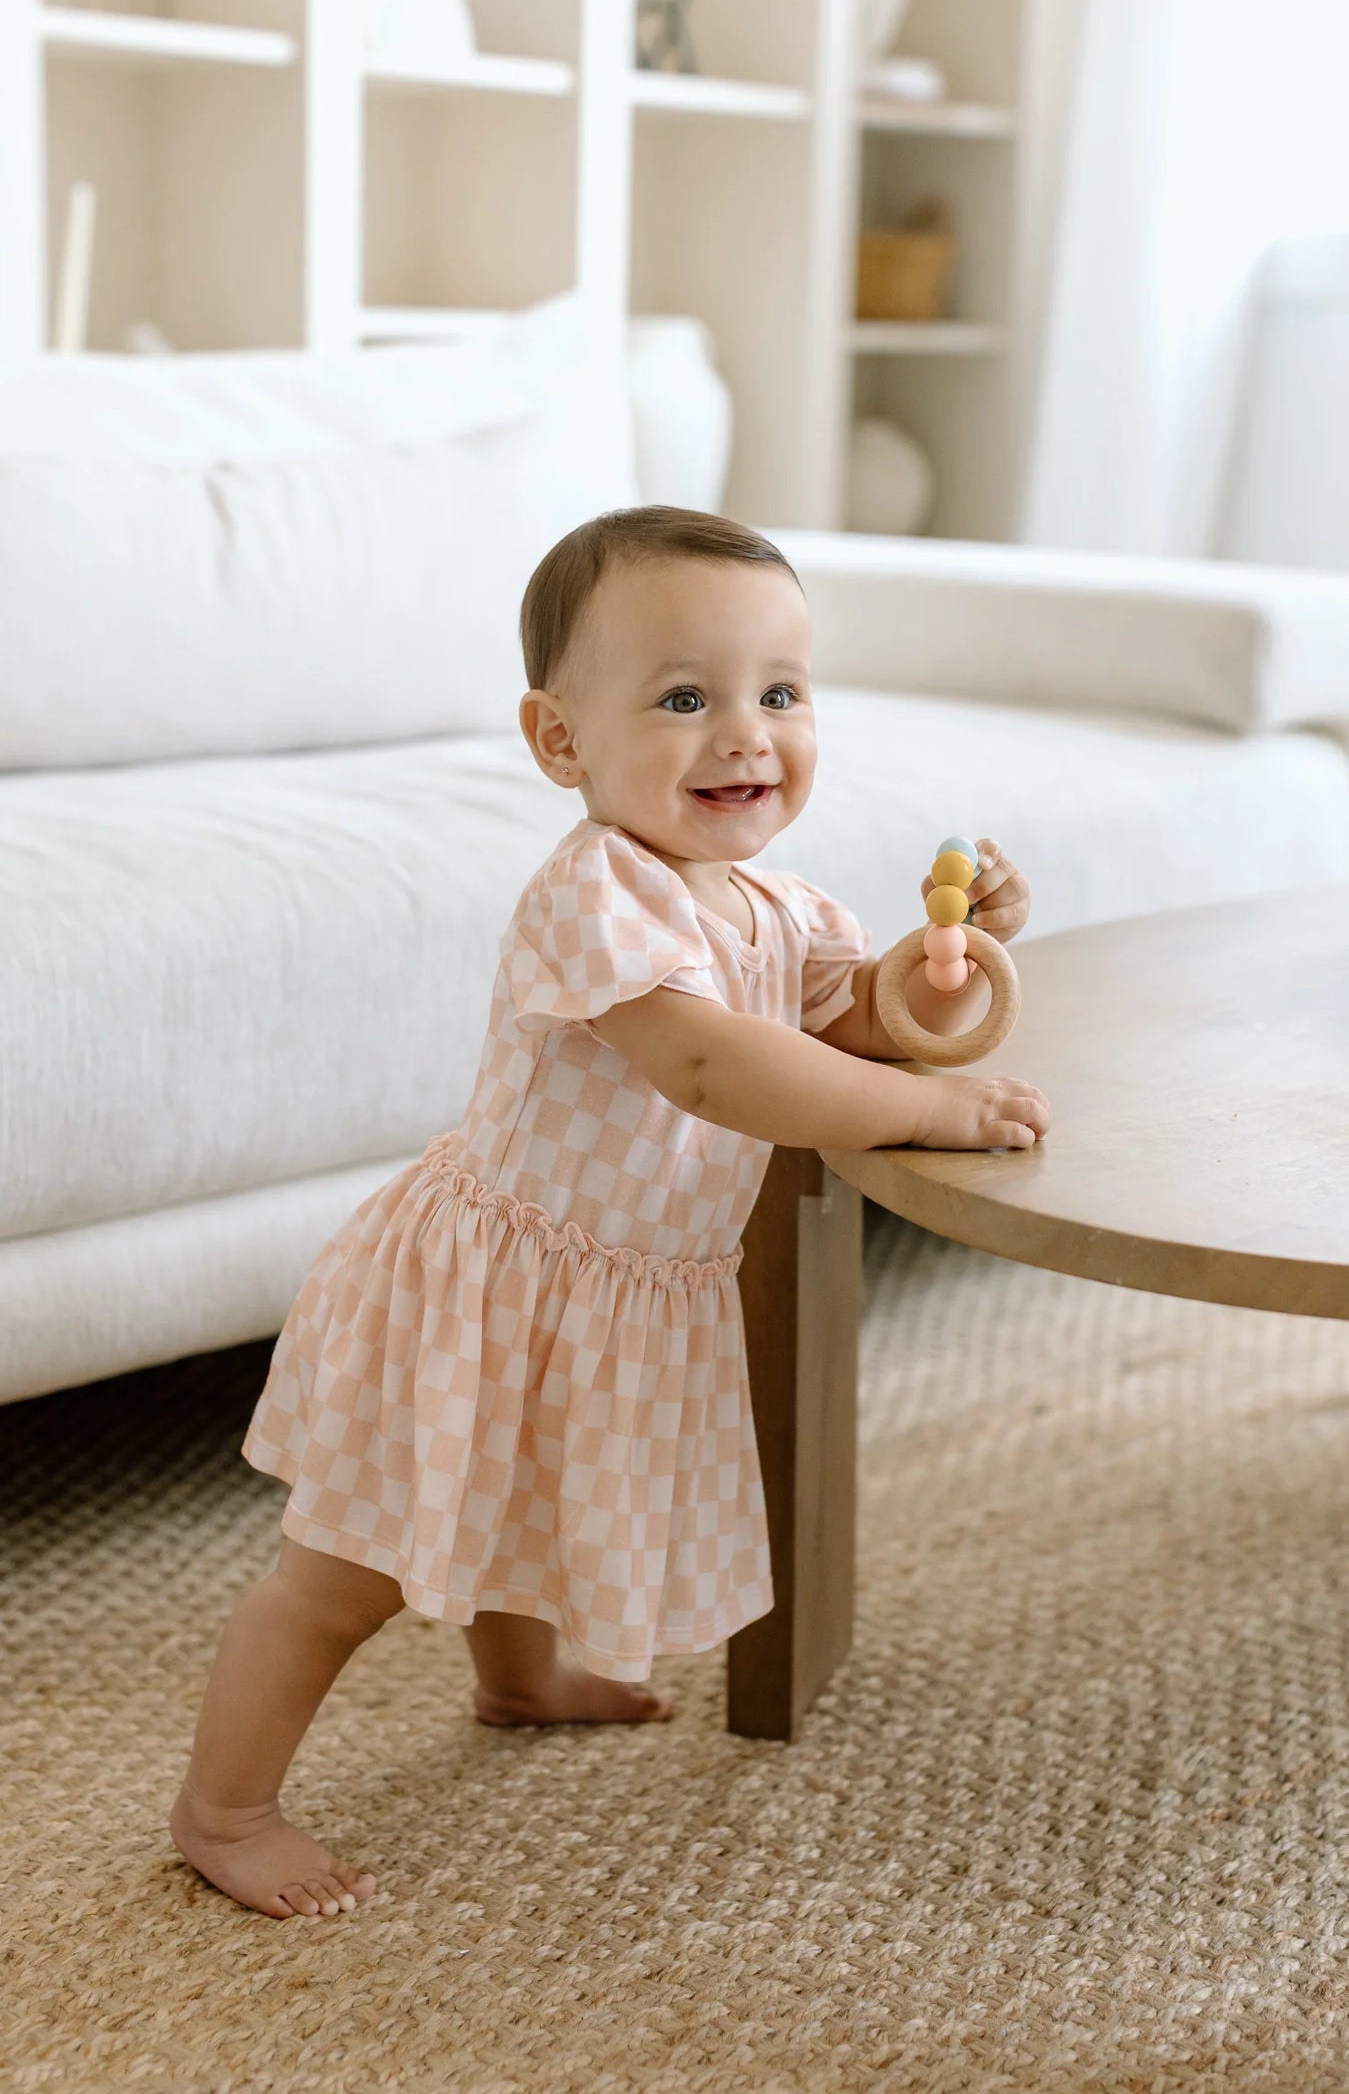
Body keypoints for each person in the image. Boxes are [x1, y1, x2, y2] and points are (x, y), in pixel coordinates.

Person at [169, 506, 1048, 1919]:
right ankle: (224, 1808)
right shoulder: (594, 891)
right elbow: (712, 1063)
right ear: (560, 741)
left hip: (617, 1285)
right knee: (342, 1574)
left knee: (529, 1495)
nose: (744, 736)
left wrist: (942, 975)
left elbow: (852, 1022)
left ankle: (519, 1680)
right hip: (487, 1284)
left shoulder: (773, 897)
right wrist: (933, 1112)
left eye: (778, 693)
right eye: (684, 698)